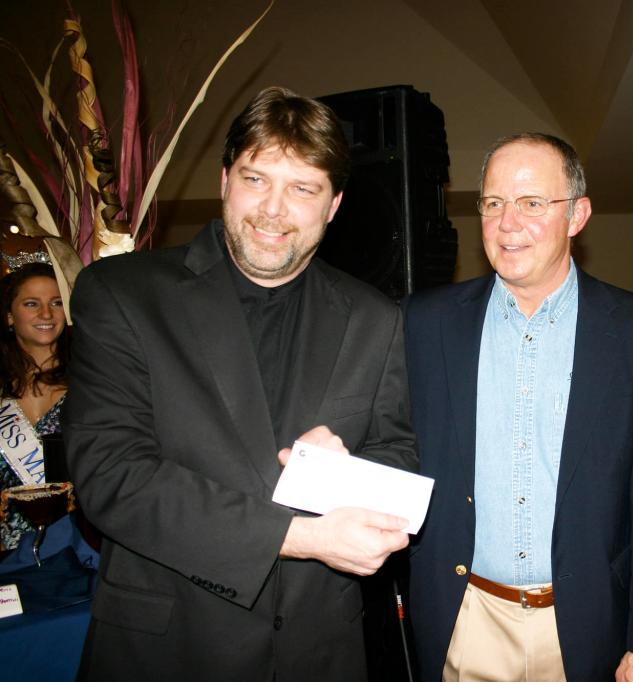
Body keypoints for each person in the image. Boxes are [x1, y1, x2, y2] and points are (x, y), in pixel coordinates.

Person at [64, 86, 417, 681]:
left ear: (333, 205)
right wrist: (298, 536)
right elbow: (111, 474)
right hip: (168, 650)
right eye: (257, 180)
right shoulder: (122, 294)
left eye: (303, 188)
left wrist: (349, 471)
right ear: (225, 179)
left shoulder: (374, 317)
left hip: (320, 652)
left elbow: (397, 452)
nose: (274, 210)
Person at [404, 132, 633, 681]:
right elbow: (389, 443)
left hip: (587, 626)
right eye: (492, 203)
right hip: (465, 618)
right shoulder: (424, 323)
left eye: (532, 203)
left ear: (577, 215)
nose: (508, 223)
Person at [0, 260, 69, 550]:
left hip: (72, 542)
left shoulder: (93, 383)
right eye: (31, 303)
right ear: (9, 316)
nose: (46, 314)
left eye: (56, 302)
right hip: (6, 546)